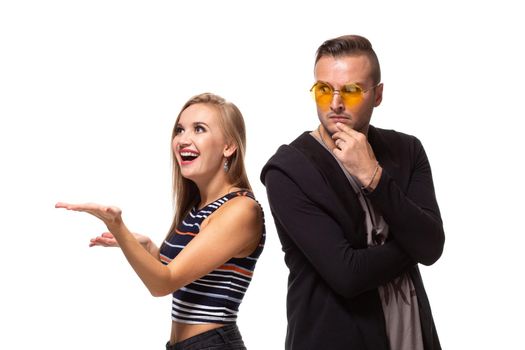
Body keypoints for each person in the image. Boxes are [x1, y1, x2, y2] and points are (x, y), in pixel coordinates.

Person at [260, 35, 444, 350]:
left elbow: (432, 246)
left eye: (352, 90)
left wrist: (373, 177)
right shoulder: (287, 171)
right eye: (323, 90)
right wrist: (413, 241)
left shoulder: (407, 150)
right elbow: (348, 274)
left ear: (378, 95)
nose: (335, 104)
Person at [56, 92, 265, 350]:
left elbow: (163, 283)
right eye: (180, 129)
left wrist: (117, 226)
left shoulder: (241, 209)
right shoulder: (199, 207)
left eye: (199, 129)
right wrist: (148, 249)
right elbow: (180, 276)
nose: (182, 140)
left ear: (229, 146)